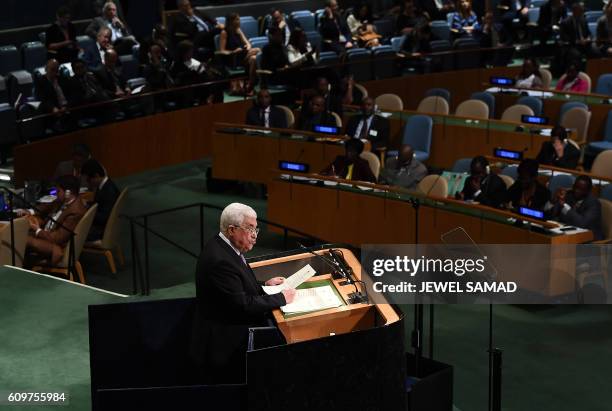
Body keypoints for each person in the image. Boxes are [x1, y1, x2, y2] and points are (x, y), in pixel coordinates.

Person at [191, 203, 296, 383]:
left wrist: (264, 285)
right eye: (250, 229)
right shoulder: (220, 260)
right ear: (232, 230)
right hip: (227, 341)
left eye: (256, 229)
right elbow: (243, 305)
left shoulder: (226, 246)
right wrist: (281, 298)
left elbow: (236, 286)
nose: (254, 236)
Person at [22, 175, 87, 266]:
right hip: (47, 233)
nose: (55, 193)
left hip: (56, 245)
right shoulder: (64, 200)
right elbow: (47, 206)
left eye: (58, 191)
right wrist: (30, 211)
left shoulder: (75, 211)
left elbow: (57, 238)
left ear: (68, 192)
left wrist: (37, 230)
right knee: (18, 232)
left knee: (19, 238)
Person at [546, 175, 603, 240]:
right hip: (568, 235)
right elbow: (551, 215)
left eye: (582, 189)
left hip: (590, 240)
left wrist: (565, 206)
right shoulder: (569, 196)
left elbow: (582, 224)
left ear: (588, 190)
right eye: (576, 187)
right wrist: (553, 201)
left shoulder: (594, 203)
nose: (577, 191)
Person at [219, 13, 260, 94]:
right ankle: (251, 85)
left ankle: (250, 85)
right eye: (237, 19)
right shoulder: (224, 33)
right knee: (257, 50)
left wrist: (248, 47)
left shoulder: (238, 30)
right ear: (231, 21)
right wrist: (233, 52)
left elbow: (248, 43)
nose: (239, 21)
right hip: (233, 58)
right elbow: (222, 50)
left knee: (254, 58)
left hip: (242, 54)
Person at [80, 159, 120, 241]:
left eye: (88, 180)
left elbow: (104, 218)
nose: (88, 183)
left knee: (74, 233)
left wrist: (86, 211)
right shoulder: (104, 186)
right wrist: (87, 204)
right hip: (102, 225)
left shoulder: (109, 191)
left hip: (103, 230)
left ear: (96, 175)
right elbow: (99, 205)